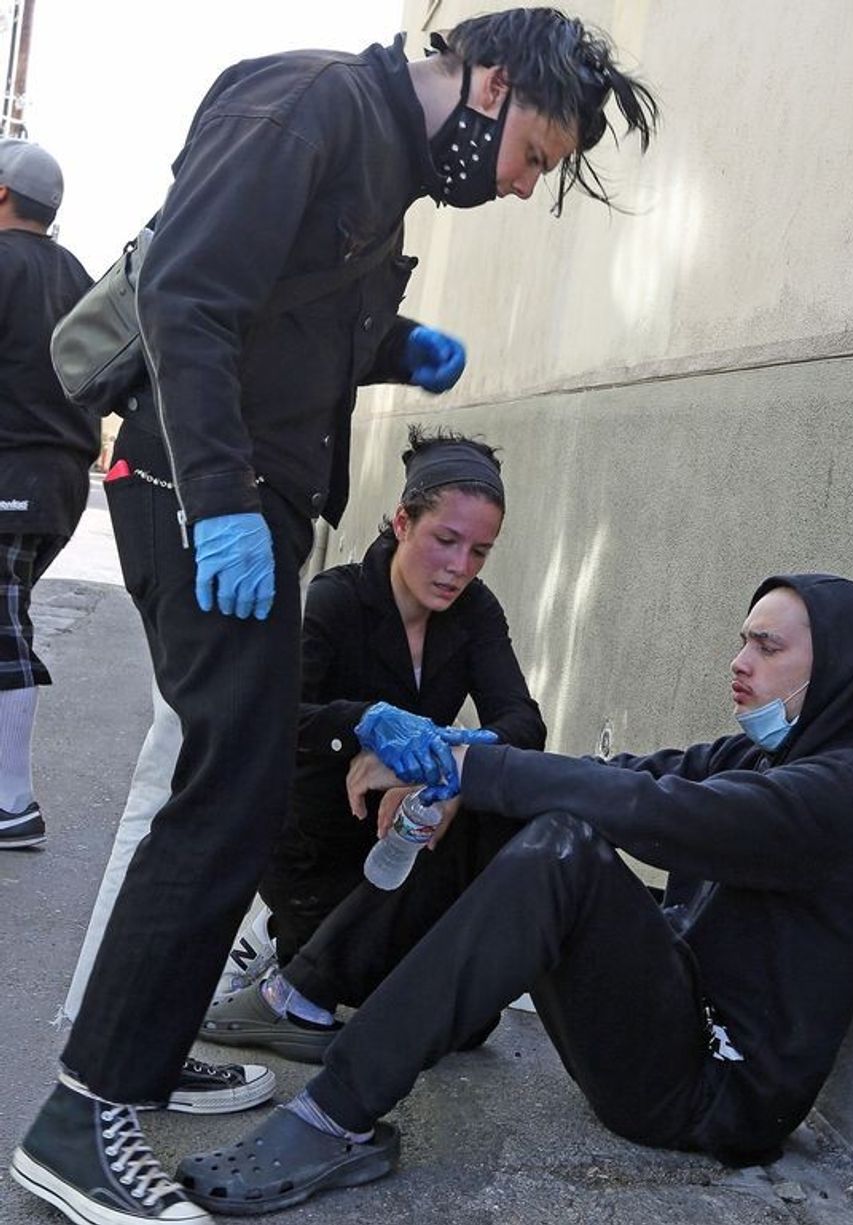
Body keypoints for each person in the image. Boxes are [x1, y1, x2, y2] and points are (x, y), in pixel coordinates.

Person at [10, 11, 658, 1224]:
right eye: (532, 153)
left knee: (232, 785)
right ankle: (79, 1115)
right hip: (191, 491)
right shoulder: (306, 105)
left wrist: (396, 344)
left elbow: (284, 316)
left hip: (246, 496)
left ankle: (139, 1056)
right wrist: (219, 507)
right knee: (230, 790)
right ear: (490, 82)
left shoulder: (380, 156)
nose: (521, 186)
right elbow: (193, 301)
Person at [170, 573, 853, 1217]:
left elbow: (656, 814)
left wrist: (472, 766)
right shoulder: (767, 751)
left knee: (560, 847)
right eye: (743, 640)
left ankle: (334, 1114)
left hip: (713, 1093)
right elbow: (624, 772)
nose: (740, 663)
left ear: (836, 668)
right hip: (673, 1008)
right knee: (502, 804)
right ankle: (304, 990)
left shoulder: (842, 796)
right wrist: (458, 763)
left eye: (768, 648)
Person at [200, 425, 546, 1060]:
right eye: (446, 540)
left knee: (469, 1028)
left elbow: (523, 722)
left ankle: (287, 948)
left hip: (402, 839)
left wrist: (441, 768)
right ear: (403, 521)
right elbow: (268, 717)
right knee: (382, 996)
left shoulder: (475, 612)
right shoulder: (335, 600)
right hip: (311, 840)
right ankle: (281, 958)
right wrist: (364, 722)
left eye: (479, 552)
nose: (459, 568)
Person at [0, 139, 98, 851]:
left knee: (3, 632)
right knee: (8, 618)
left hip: (9, 468)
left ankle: (11, 802)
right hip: (62, 479)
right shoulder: (79, 275)